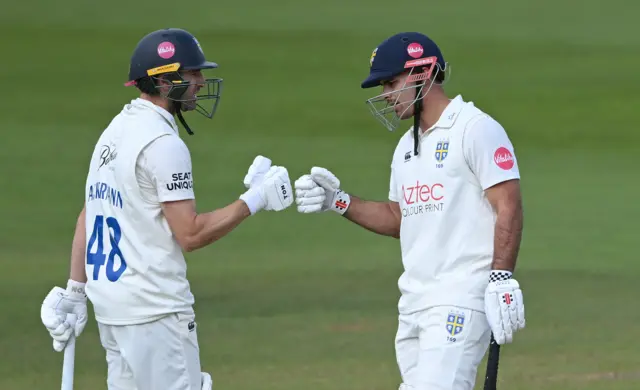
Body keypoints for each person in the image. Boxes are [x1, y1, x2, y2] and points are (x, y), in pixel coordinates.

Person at [40, 28, 293, 390]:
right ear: (164, 81)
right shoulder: (162, 143)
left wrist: (75, 289)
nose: (202, 82)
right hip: (156, 311)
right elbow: (190, 234)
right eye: (192, 74)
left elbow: (90, 211)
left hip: (113, 312)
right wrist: (255, 199)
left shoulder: (114, 131)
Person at [294, 31, 526, 389]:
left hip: (459, 299)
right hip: (413, 304)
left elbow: (508, 204)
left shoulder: (475, 129)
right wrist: (336, 201)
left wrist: (500, 277)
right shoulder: (406, 146)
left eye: (390, 83)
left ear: (423, 73)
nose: (385, 94)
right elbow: (399, 217)